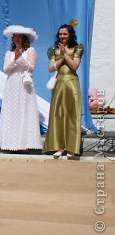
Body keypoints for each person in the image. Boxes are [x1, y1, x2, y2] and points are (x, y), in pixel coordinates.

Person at [0, 25, 42, 152]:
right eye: (14, 37)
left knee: (24, 109)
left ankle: (24, 143)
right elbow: (6, 69)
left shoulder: (31, 51)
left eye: (19, 37)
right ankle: (11, 142)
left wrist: (19, 58)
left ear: (24, 38)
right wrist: (15, 58)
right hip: (12, 83)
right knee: (12, 111)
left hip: (25, 83)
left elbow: (31, 67)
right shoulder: (9, 53)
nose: (16, 39)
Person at [44, 22, 83, 159]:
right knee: (59, 115)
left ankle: (72, 148)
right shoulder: (53, 50)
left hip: (72, 84)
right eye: (60, 34)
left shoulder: (77, 48)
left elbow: (74, 66)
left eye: (65, 34)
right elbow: (51, 68)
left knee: (72, 115)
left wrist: (65, 54)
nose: (62, 36)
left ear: (70, 34)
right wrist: (61, 56)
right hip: (59, 84)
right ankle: (60, 147)